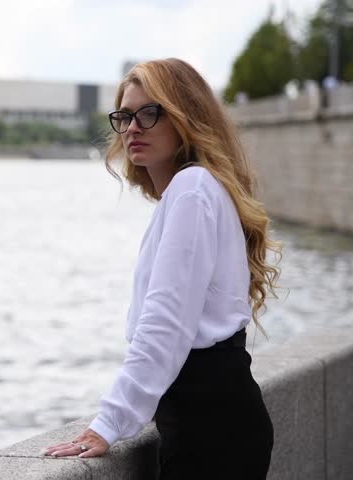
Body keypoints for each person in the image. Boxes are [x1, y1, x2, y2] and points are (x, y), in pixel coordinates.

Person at [42, 58, 281, 479]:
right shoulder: (199, 190)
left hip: (211, 433)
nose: (133, 127)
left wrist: (109, 422)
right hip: (213, 423)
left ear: (186, 117)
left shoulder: (192, 189)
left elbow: (166, 321)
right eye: (125, 116)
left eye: (150, 113)